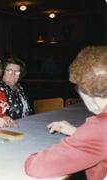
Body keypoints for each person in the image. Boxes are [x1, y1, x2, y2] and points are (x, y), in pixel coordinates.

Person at [25, 46, 107, 180]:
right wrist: (77, 132)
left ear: (84, 90)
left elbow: (35, 166)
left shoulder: (100, 127)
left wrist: (85, 136)